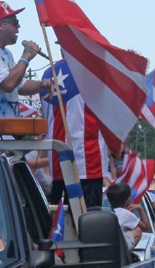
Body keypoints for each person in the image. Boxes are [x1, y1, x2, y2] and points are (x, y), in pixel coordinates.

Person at [41, 58, 108, 208]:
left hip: (58, 163)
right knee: (88, 224)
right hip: (88, 164)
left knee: (60, 225)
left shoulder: (47, 73)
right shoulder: (92, 71)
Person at [0, 1, 52, 118]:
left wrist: (42, 84)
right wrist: (26, 56)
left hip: (3, 131)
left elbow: (19, 85)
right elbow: (8, 84)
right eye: (15, 22)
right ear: (0, 25)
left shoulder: (7, 53)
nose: (18, 26)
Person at [106, 183, 151, 250]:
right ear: (129, 199)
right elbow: (146, 227)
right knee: (137, 230)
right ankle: (125, 254)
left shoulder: (106, 212)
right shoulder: (126, 214)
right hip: (116, 249)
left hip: (107, 244)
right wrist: (140, 209)